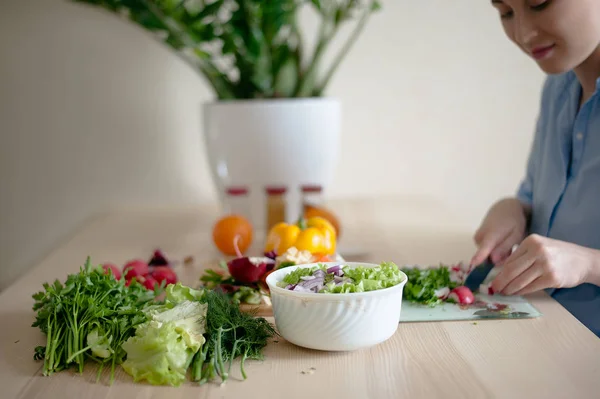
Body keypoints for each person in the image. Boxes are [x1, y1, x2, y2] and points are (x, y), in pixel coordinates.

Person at [470, 0, 600, 337]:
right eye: (506, 13)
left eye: (539, 3)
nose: (523, 33)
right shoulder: (559, 88)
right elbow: (538, 196)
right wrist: (515, 210)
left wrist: (589, 264)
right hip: (548, 337)